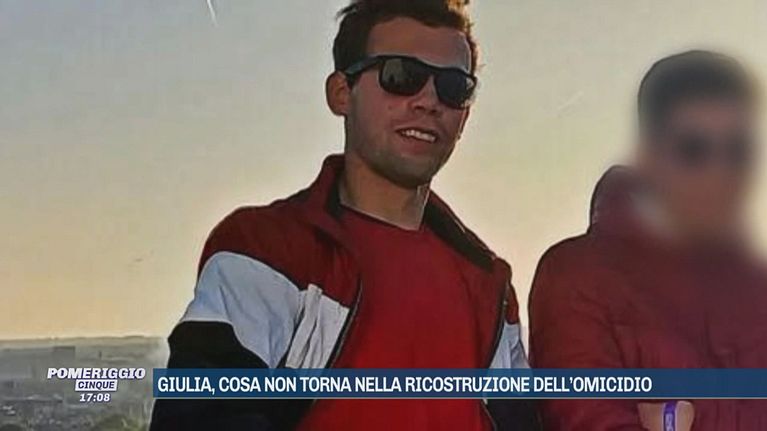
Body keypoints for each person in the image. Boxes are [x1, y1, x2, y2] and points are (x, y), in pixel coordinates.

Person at [150, 0, 539, 429]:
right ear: (341, 93)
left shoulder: (488, 283)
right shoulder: (266, 250)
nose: (429, 101)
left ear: (465, 116)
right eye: (401, 76)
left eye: (454, 87)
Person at [529, 50, 767, 430]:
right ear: (649, 156)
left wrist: (684, 417)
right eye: (694, 150)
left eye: (738, 151)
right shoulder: (575, 276)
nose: (721, 172)